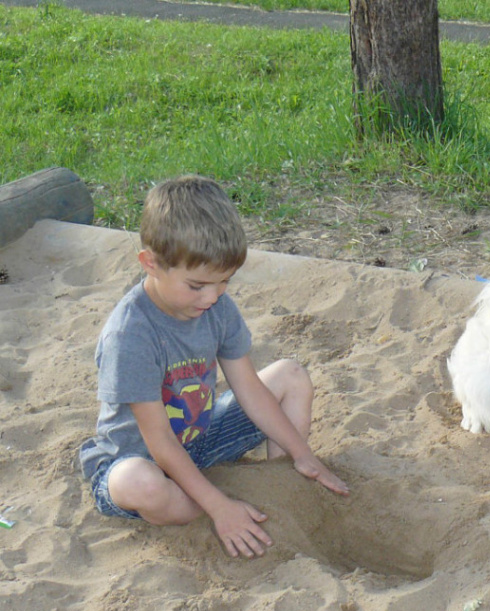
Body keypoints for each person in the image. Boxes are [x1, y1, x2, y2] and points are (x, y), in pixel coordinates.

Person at [79, 175, 348, 558]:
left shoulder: (218, 307)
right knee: (140, 484)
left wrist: (300, 451)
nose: (212, 296)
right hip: (142, 458)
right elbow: (158, 441)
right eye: (197, 285)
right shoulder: (131, 335)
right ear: (150, 263)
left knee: (290, 375)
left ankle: (278, 486)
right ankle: (215, 507)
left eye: (224, 282)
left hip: (200, 441)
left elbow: (249, 388)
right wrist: (219, 506)